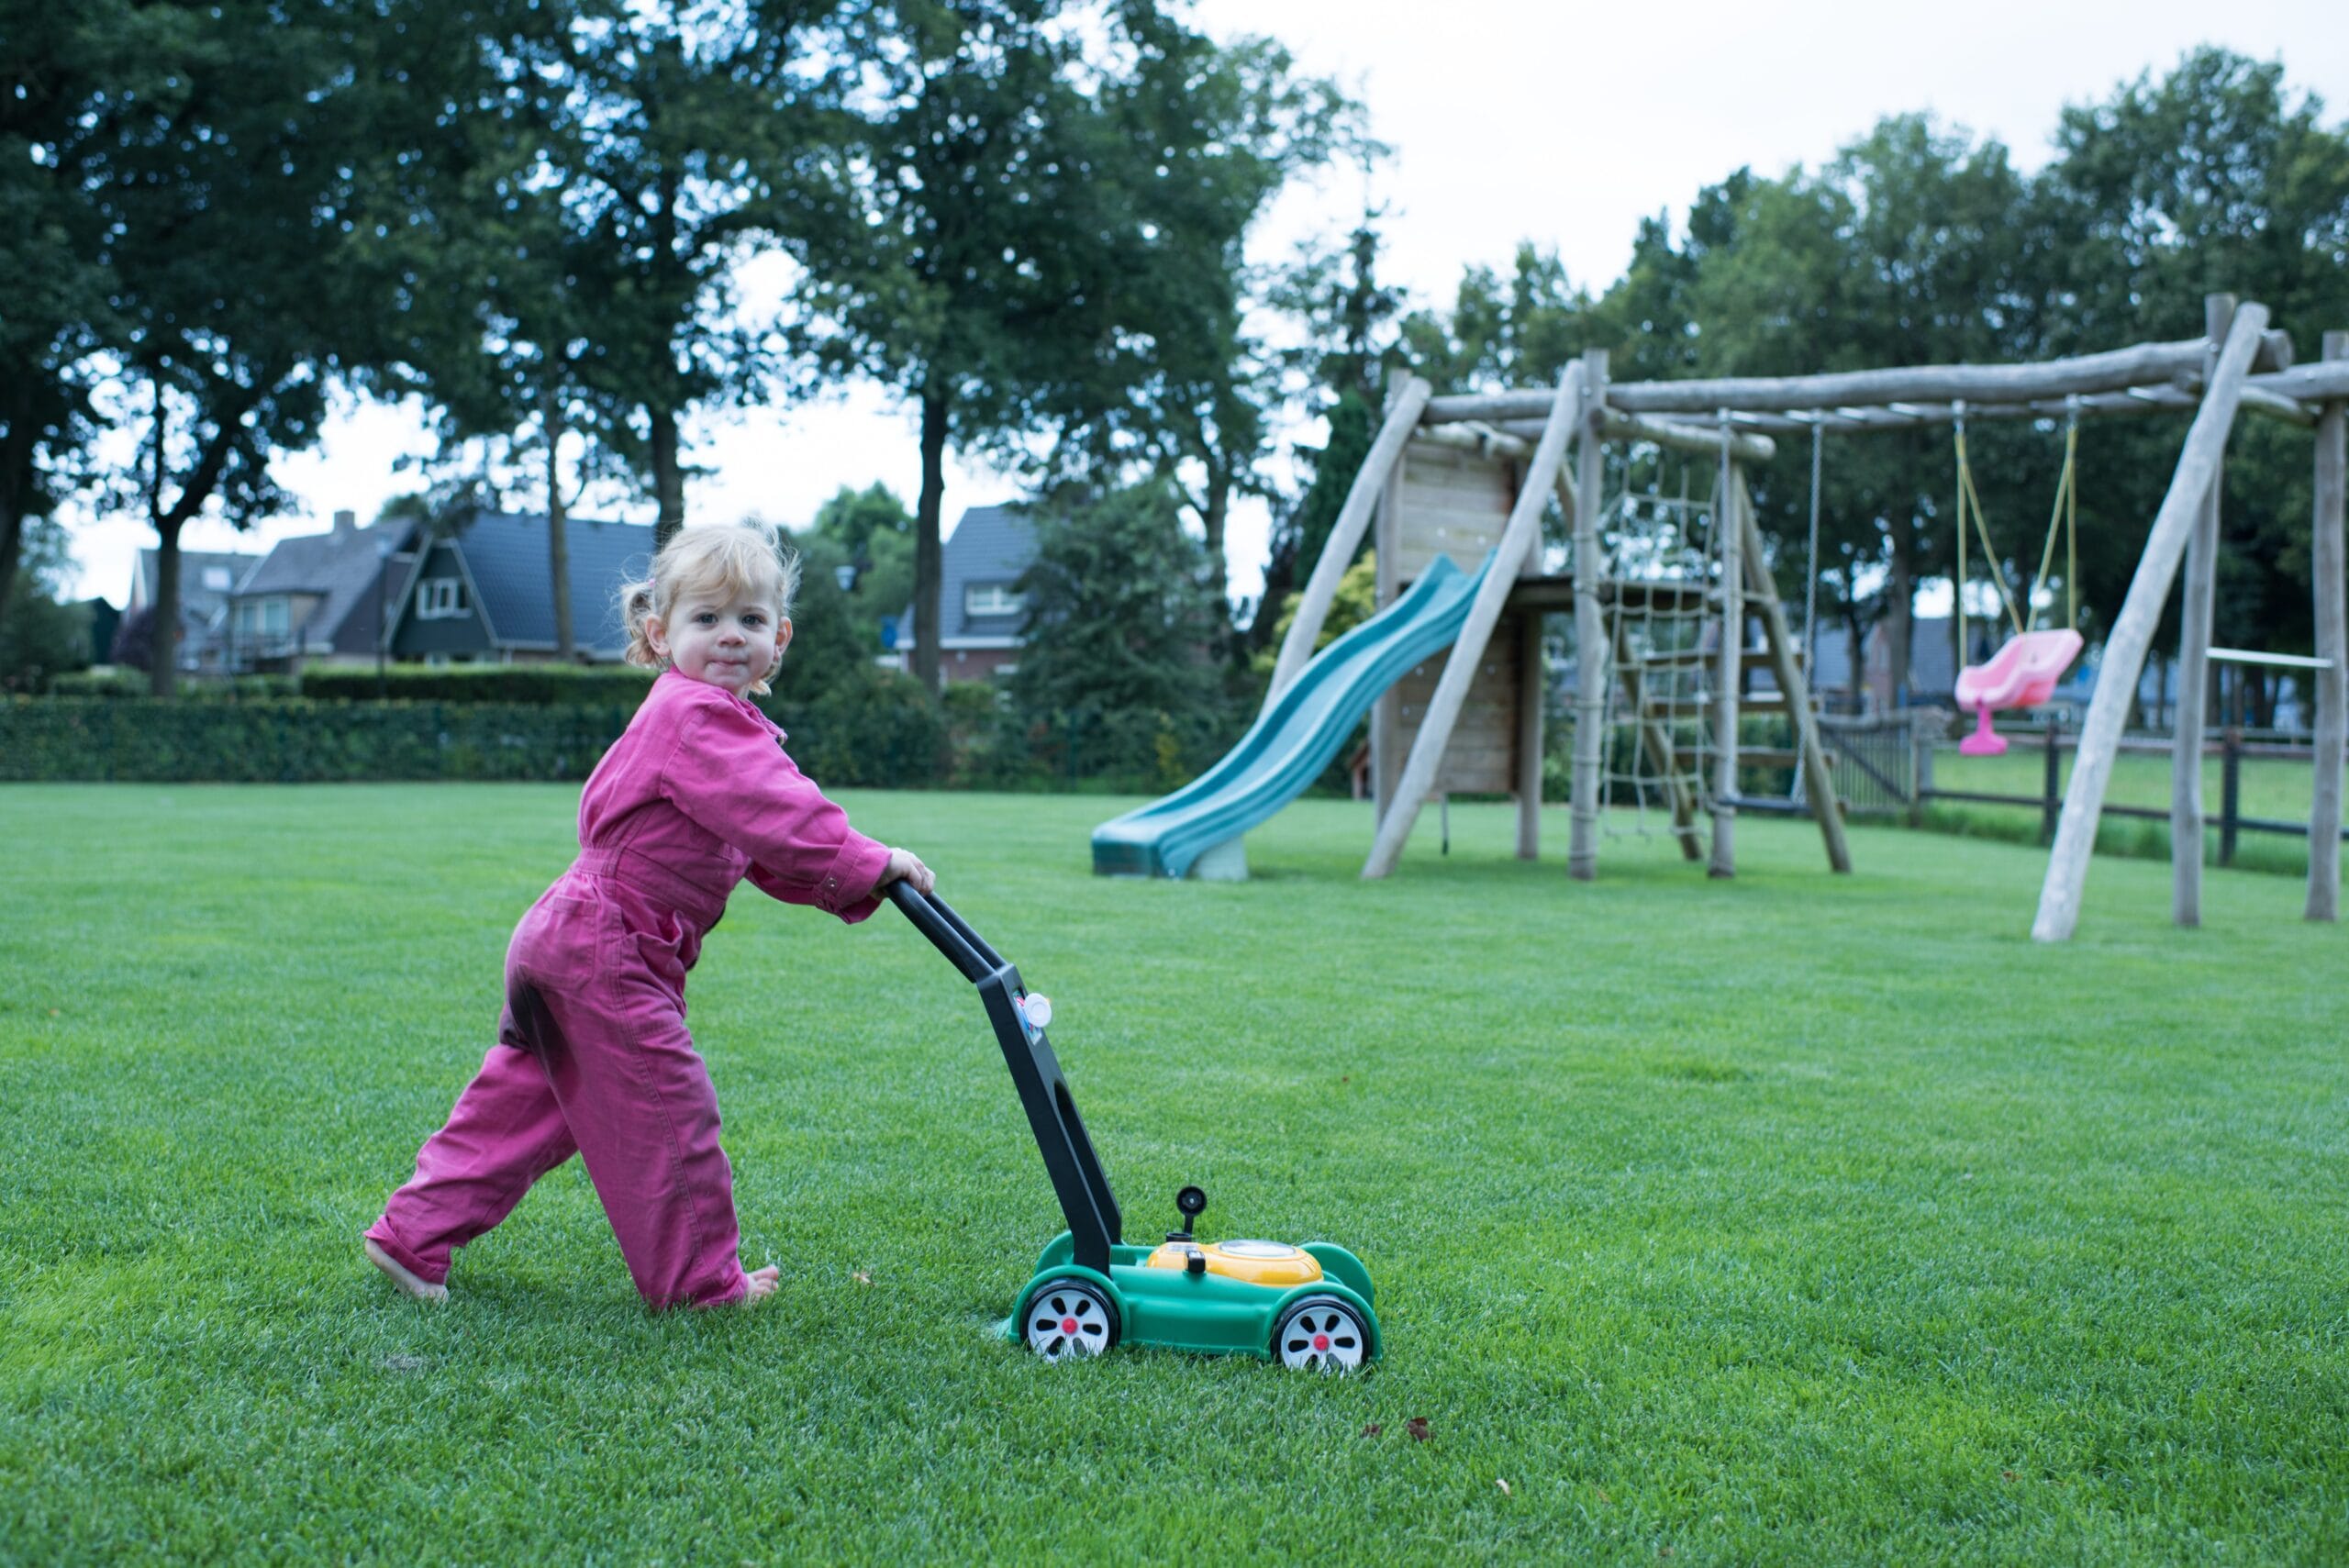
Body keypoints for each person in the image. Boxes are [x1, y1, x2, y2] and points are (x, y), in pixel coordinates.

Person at [362, 521, 932, 1308]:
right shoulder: (698, 716)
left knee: (532, 1105)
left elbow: (768, 853)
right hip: (610, 945)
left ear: (780, 637)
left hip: (566, 937)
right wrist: (871, 861)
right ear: (660, 633)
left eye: (751, 620)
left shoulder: (695, 716)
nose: (730, 636)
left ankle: (409, 1236)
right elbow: (781, 813)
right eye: (706, 619)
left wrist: (852, 885)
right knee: (672, 1115)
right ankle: (702, 1284)